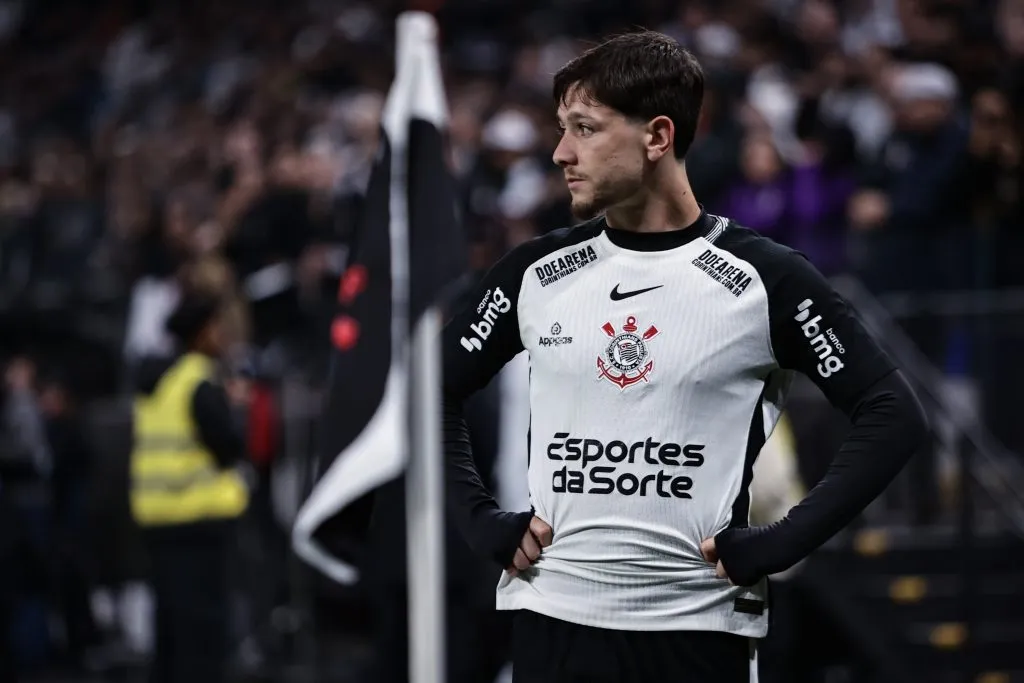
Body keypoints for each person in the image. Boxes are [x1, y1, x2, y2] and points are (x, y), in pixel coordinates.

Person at [441, 31, 928, 683]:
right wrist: (478, 519)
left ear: (657, 137)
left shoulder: (763, 279)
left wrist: (781, 540)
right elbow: (430, 389)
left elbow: (892, 412)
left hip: (695, 635)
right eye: (561, 129)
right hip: (553, 626)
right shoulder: (537, 271)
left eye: (584, 128)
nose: (561, 153)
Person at [130, 291, 250, 683]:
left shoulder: (154, 381)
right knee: (202, 639)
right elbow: (228, 446)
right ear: (200, 332)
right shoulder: (198, 380)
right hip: (200, 521)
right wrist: (237, 409)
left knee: (170, 634)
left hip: (157, 521)